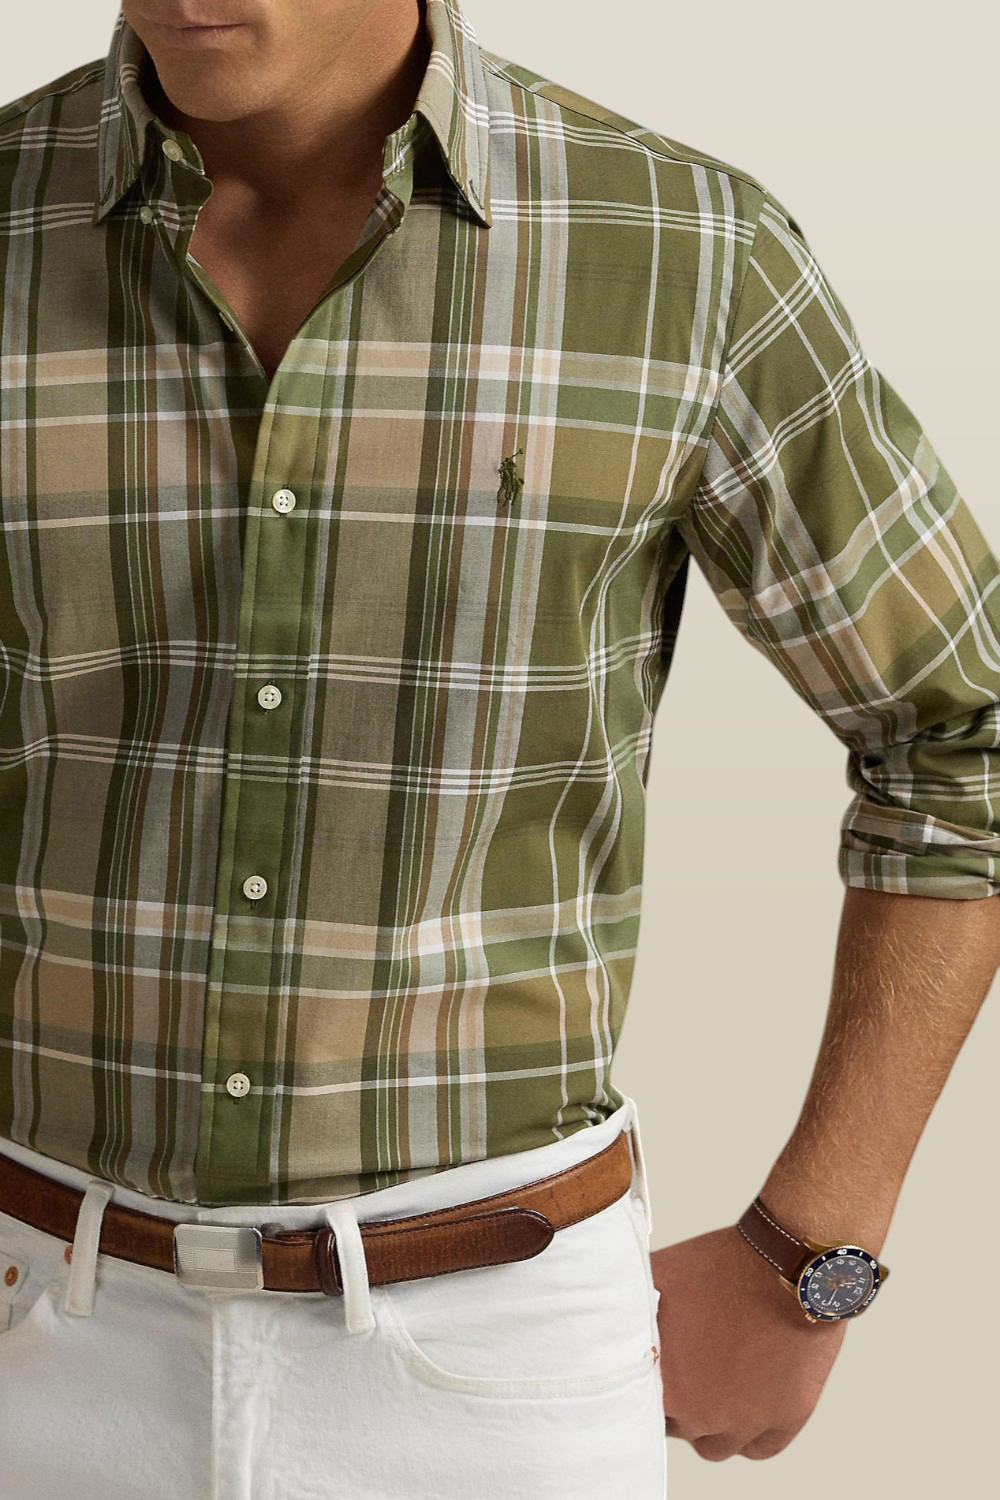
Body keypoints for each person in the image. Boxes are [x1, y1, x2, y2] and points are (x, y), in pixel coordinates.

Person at [0, 1, 996, 1496]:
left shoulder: (684, 256)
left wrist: (817, 1251)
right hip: (31, 1319)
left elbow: (961, 732)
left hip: (489, 1367)